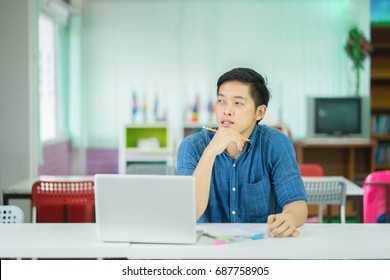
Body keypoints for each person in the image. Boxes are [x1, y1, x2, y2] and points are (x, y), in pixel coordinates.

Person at [177, 67, 308, 237]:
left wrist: (289, 217)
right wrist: (210, 153)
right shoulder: (192, 146)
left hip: (261, 246)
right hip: (209, 248)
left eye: (237, 103)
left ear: (259, 112)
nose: (227, 110)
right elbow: (188, 214)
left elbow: (297, 204)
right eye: (221, 101)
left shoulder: (276, 143)